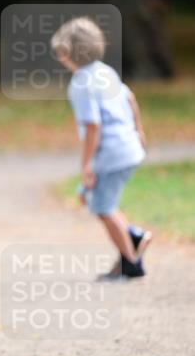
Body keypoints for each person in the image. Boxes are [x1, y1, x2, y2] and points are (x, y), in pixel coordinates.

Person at [51, 16, 152, 281]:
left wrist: (86, 165)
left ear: (67, 54)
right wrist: (139, 130)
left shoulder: (80, 84)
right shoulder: (106, 71)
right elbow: (130, 98)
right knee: (104, 201)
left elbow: (93, 127)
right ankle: (133, 238)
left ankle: (131, 262)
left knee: (103, 208)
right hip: (129, 148)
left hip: (112, 153)